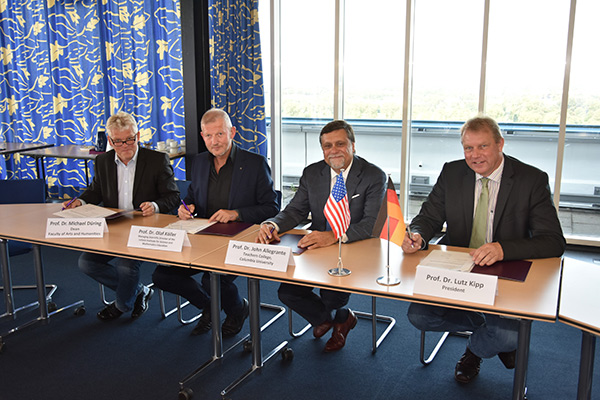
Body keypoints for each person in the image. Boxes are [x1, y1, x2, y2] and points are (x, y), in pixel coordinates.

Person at [402, 115, 565, 383]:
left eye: (483, 147)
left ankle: (475, 350)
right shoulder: (452, 173)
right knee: (419, 316)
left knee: (507, 335)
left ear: (500, 144)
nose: (475, 156)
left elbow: (553, 241)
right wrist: (418, 235)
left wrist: (504, 249)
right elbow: (429, 217)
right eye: (468, 148)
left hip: (505, 269)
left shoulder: (531, 179)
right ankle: (490, 332)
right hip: (458, 266)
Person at [256, 120, 386, 352]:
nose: (333, 150)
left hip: (354, 248)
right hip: (316, 248)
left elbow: (370, 225)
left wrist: (333, 236)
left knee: (331, 295)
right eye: (327, 146)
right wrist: (273, 224)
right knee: (287, 292)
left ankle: (333, 314)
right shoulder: (312, 173)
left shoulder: (373, 175)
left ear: (353, 146)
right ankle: (337, 320)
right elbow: (295, 210)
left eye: (340, 144)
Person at [152, 108, 279, 337]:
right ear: (202, 137)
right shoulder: (199, 162)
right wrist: (186, 207)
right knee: (162, 275)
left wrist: (237, 213)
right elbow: (191, 196)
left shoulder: (255, 163)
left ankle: (237, 310)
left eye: (219, 134)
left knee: (212, 278)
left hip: (238, 239)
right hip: (201, 237)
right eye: (208, 136)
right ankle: (209, 307)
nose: (214, 141)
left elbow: (272, 208)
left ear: (232, 132)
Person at [62, 111, 180, 321]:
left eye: (130, 140)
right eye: (118, 141)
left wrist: (155, 205)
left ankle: (122, 305)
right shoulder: (103, 162)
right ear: (110, 140)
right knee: (86, 263)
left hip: (146, 230)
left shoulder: (157, 160)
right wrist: (80, 201)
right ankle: (139, 291)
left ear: (138, 136)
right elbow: (95, 191)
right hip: (114, 229)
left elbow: (173, 197)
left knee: (126, 266)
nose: (125, 146)